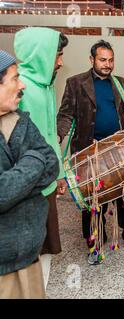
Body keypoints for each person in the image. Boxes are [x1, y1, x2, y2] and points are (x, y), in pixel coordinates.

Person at [57, 40, 124, 265]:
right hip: (89, 151)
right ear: (91, 59)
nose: (108, 64)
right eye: (103, 60)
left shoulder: (121, 83)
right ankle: (95, 243)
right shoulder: (75, 83)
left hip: (119, 151)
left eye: (111, 60)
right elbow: (65, 115)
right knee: (93, 200)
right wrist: (57, 136)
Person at [0, 50, 59, 298]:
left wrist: (19, 178)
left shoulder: (19, 120)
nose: (21, 85)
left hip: (28, 256)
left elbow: (52, 163)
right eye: (14, 79)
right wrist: (34, 160)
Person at [14, 27, 69, 289]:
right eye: (57, 55)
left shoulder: (47, 86)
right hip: (27, 188)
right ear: (40, 55)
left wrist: (59, 174)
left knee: (47, 245)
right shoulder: (19, 89)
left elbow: (50, 136)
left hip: (45, 184)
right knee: (28, 249)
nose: (60, 61)